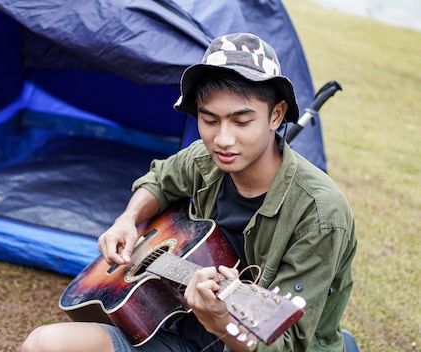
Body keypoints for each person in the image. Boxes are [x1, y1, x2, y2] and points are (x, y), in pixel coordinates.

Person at [21, 32, 357, 352]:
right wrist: (128, 219)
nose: (223, 140)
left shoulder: (320, 214)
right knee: (42, 343)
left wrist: (221, 320)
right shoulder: (203, 158)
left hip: (245, 343)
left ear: (276, 115)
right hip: (175, 332)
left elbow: (286, 345)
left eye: (241, 122)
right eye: (209, 120)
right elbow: (160, 181)